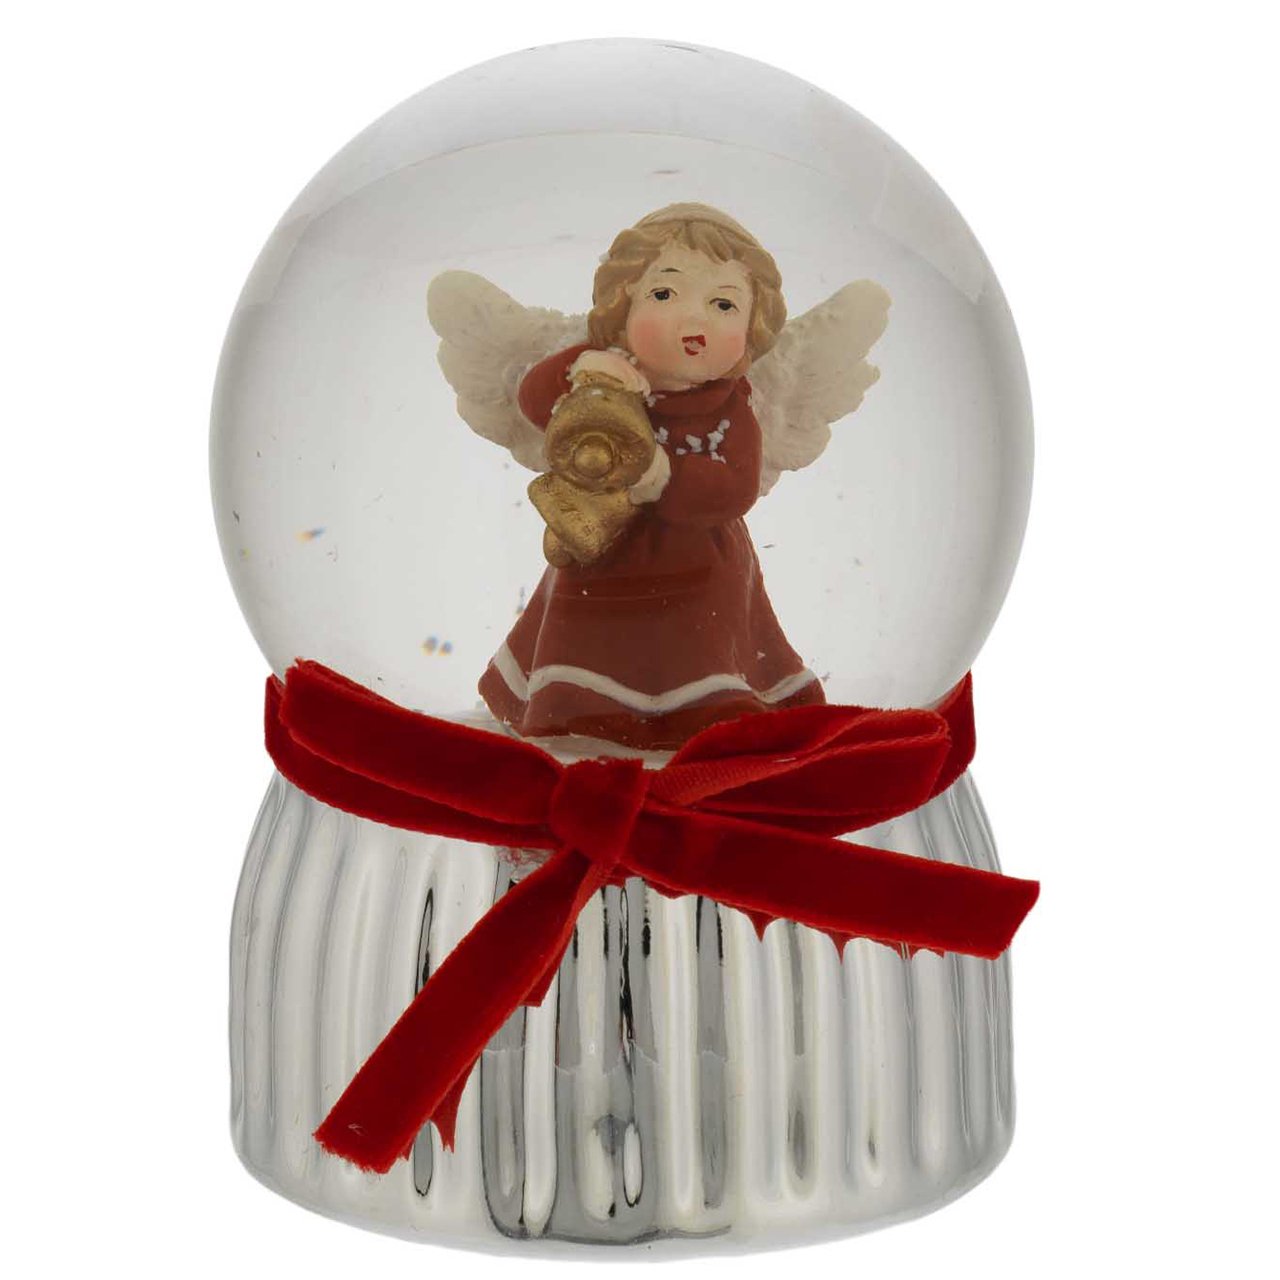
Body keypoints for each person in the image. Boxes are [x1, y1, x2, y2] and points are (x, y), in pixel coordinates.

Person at [477, 204, 824, 751]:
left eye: (723, 304)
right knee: (589, 640)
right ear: (624, 304)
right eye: (664, 294)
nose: (693, 321)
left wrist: (663, 476)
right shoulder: (601, 370)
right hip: (605, 551)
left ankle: (703, 715)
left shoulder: (731, 407)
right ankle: (579, 714)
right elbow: (534, 400)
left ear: (752, 328)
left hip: (699, 564)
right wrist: (584, 371)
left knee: (697, 641)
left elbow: (736, 486)